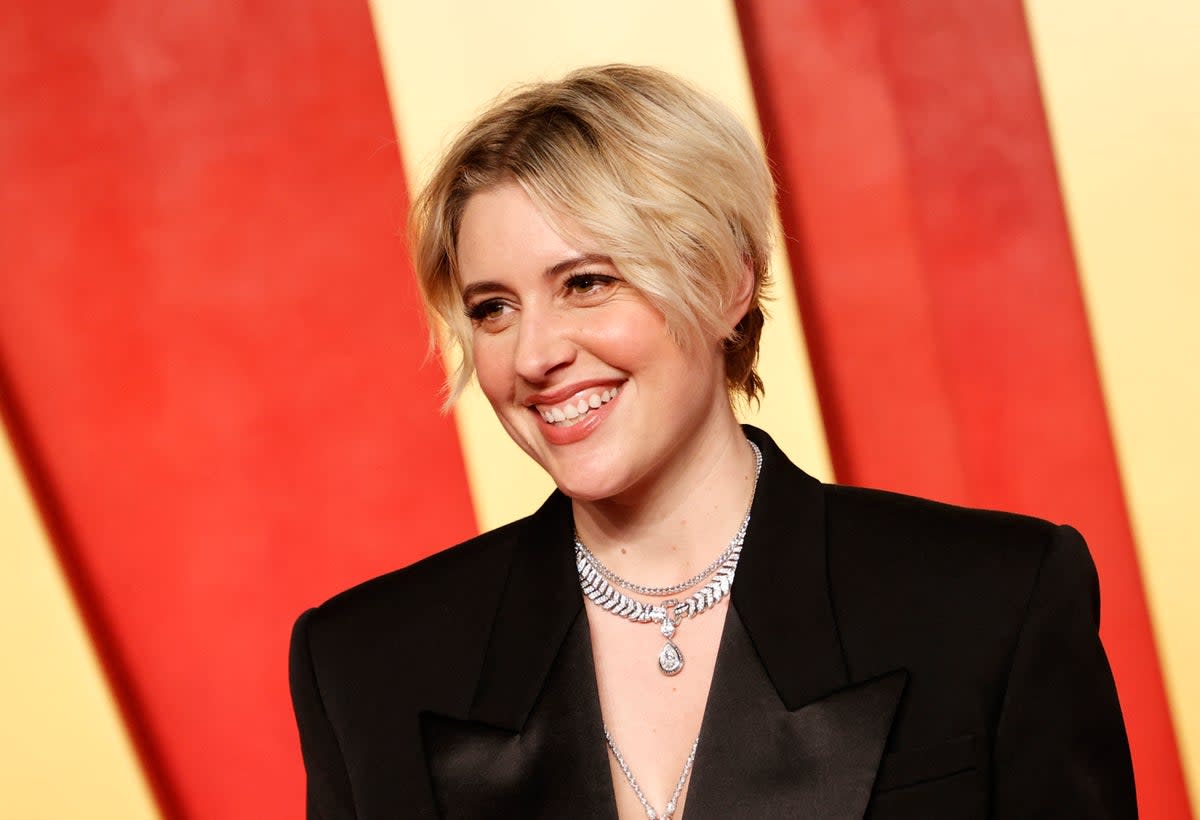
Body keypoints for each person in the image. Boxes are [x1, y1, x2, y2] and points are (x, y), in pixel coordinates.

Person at [289, 64, 1135, 819]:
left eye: (586, 283)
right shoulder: (364, 667)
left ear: (728, 281)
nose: (534, 354)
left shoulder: (993, 601)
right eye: (492, 309)